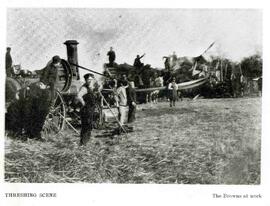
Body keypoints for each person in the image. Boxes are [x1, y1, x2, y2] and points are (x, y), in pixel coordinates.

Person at [77, 73, 96, 146]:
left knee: (89, 125)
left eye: (91, 79)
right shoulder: (84, 88)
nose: (90, 81)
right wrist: (83, 103)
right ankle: (83, 142)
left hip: (90, 108)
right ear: (86, 80)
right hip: (86, 109)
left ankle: (86, 142)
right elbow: (79, 96)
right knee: (86, 125)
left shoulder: (90, 87)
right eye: (89, 79)